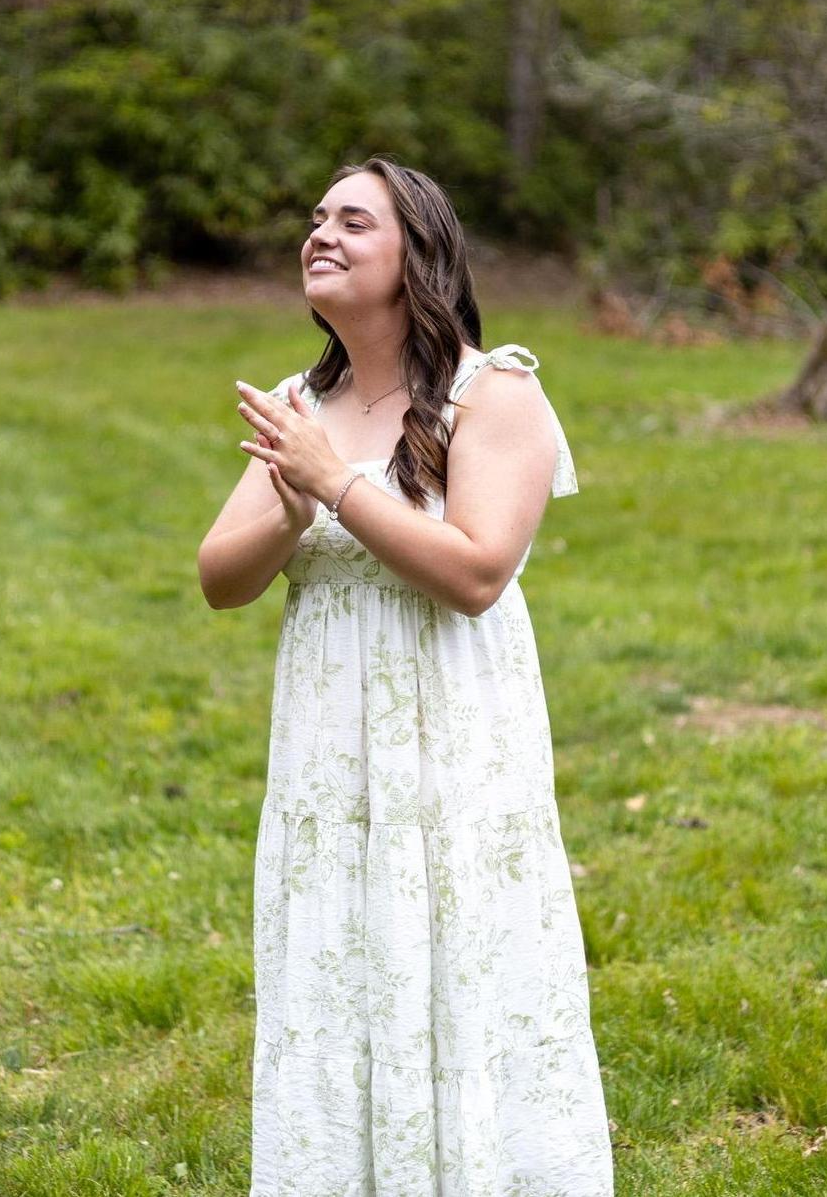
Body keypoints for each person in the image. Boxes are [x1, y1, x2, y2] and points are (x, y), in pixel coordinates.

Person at [197, 156, 614, 1193]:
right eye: (314, 219)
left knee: (456, 959)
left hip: (452, 746)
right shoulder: (303, 405)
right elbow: (218, 577)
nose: (320, 234)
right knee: (345, 970)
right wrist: (290, 508)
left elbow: (476, 571)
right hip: (330, 763)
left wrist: (333, 484)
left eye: (353, 221)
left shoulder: (495, 392)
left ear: (415, 256)